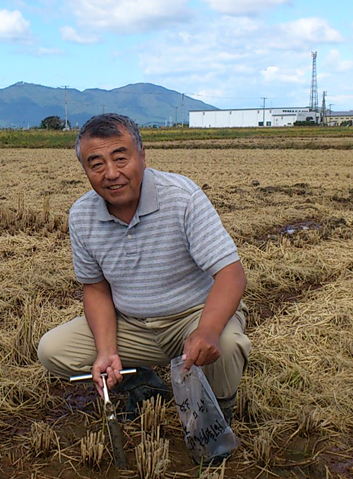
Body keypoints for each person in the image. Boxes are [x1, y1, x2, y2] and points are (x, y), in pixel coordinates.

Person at [37, 113, 251, 437]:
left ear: (142, 156)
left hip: (191, 316)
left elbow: (231, 273)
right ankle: (139, 380)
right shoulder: (82, 215)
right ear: (85, 170)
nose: (111, 173)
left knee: (227, 342)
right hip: (133, 325)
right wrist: (107, 350)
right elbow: (95, 289)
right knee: (53, 349)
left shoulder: (182, 197)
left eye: (120, 158)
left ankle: (216, 417)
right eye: (96, 164)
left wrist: (206, 329)